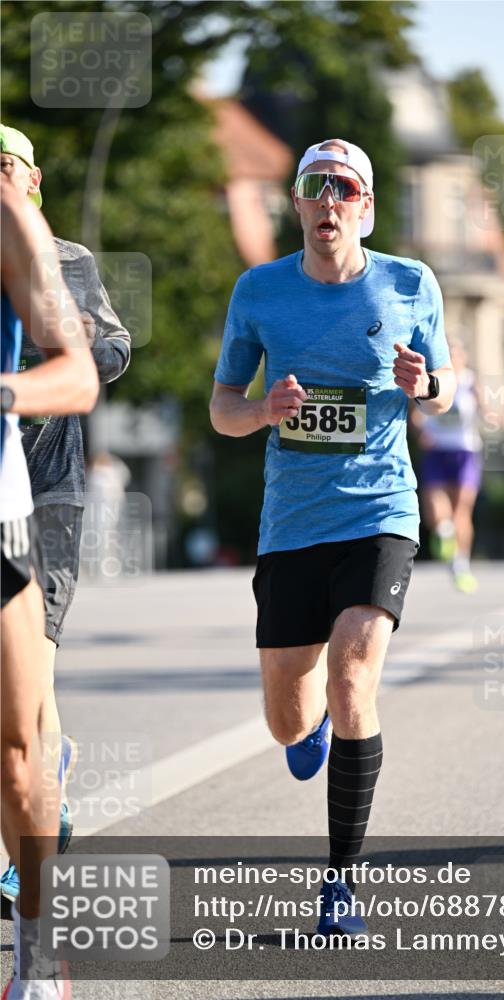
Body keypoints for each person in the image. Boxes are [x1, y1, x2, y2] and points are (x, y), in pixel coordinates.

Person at [210, 138, 455, 936]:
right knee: (288, 719)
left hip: (380, 511)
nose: (327, 202)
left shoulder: (410, 283)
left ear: (366, 206)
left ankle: (340, 882)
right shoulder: (259, 291)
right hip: (292, 522)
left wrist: (429, 387)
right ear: (296, 205)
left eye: (343, 189)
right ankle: (305, 724)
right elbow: (222, 409)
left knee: (354, 677)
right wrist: (263, 409)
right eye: (313, 188)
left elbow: (448, 389)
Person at [0, 125, 131, 904]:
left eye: (7, 165)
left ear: (34, 178)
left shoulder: (67, 260)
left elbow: (108, 352)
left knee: (33, 679)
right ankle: (45, 772)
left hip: (42, 491)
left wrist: (69, 341)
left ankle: (28, 851)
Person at [1, 178, 99, 999]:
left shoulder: (36, 240)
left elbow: (90, 364)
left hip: (25, 503)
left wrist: (7, 388)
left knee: (21, 736)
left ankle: (35, 956)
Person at [411, 338, 482, 592]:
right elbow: (417, 414)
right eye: (448, 354)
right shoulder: (433, 380)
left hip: (465, 451)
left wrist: (492, 414)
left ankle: (461, 564)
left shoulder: (472, 382)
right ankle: (445, 532)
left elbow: (487, 409)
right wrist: (421, 430)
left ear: (463, 357)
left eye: (456, 353)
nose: (453, 358)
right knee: (436, 512)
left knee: (462, 509)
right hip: (437, 451)